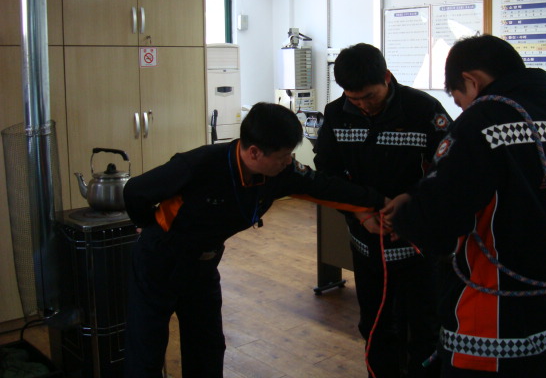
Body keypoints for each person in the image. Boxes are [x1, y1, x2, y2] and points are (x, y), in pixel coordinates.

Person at [382, 34, 546, 377]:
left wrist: (406, 214)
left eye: (460, 100)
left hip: (492, 329)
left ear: (472, 81)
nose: (463, 109)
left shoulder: (482, 123)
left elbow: (435, 223)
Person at [122, 102, 388, 378]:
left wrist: (376, 202)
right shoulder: (199, 165)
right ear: (254, 152)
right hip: (160, 260)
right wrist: (147, 226)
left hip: (203, 264)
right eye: (283, 156)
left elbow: (322, 186)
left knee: (207, 347)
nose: (288, 162)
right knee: (146, 350)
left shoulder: (280, 173)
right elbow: (135, 191)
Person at [313, 43, 452, 377]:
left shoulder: (423, 110)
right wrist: (361, 213)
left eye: (370, 97)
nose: (363, 105)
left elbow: (449, 169)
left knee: (424, 328)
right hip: (367, 244)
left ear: (387, 77)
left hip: (418, 247)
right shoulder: (336, 113)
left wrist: (411, 202)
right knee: (375, 325)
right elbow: (328, 174)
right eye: (354, 99)